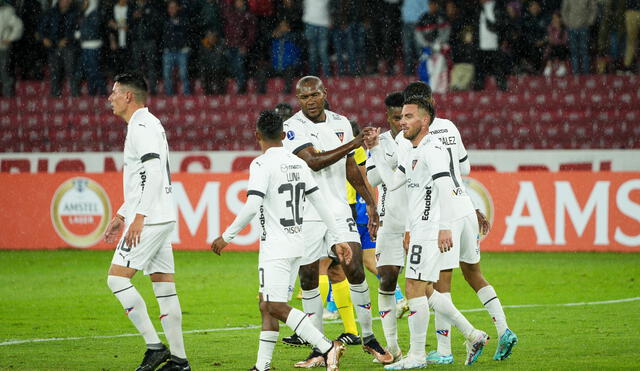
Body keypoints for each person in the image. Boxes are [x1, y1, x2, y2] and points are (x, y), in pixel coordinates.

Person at [211, 110, 348, 371]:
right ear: (284, 136)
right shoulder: (298, 163)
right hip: (298, 244)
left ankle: (327, 346)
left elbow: (252, 205)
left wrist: (226, 236)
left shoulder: (261, 164)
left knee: (274, 305)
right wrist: (338, 238)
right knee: (267, 305)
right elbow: (321, 203)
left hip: (275, 247)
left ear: (257, 136)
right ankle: (262, 366)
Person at [398, 81, 518, 365]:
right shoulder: (450, 127)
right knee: (474, 274)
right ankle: (503, 329)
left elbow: (411, 183)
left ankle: (443, 350)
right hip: (464, 204)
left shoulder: (411, 140)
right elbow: (464, 169)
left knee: (441, 282)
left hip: (442, 214)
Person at [365, 96, 489, 369]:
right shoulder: (409, 149)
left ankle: (417, 356)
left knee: (414, 288)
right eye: (400, 117)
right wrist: (374, 149)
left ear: (425, 120)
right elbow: (392, 182)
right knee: (422, 288)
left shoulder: (433, 149)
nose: (402, 122)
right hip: (419, 226)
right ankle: (472, 334)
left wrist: (445, 226)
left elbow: (445, 188)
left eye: (409, 117)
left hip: (431, 227)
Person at [282, 76, 393, 366]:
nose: (310, 101)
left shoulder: (341, 122)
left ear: (324, 93)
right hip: (306, 212)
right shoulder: (292, 127)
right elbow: (313, 161)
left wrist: (369, 201)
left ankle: (368, 337)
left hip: (339, 209)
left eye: (315, 95)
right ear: (298, 99)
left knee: (354, 267)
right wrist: (355, 143)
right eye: (304, 97)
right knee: (308, 277)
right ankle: (319, 346)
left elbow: (349, 166)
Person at [104, 72, 190, 371]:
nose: (110, 98)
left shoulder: (141, 126)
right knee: (164, 287)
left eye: (114, 92)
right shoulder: (148, 124)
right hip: (160, 214)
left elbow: (153, 172)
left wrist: (139, 217)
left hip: (151, 218)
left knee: (116, 279)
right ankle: (180, 361)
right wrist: (122, 215)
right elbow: (143, 179)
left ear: (129, 96)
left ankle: (155, 346)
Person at [38, 0, 80, 97]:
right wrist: (44, 38)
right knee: (54, 71)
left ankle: (74, 93)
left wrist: (68, 39)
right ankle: (54, 94)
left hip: (69, 46)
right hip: (53, 46)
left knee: (71, 70)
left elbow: (78, 30)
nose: (63, 1)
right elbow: (42, 28)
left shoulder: (75, 13)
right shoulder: (51, 12)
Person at [162, 0, 191, 96]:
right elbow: (162, 36)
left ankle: (187, 95)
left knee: (184, 75)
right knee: (167, 75)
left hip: (181, 51)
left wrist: (186, 46)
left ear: (178, 8)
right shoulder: (164, 20)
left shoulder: (184, 19)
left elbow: (188, 34)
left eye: (174, 7)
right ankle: (169, 96)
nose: (172, 10)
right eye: (170, 8)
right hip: (169, 51)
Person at [561, 0, 597, 75]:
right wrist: (568, 23)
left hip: (584, 27)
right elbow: (564, 10)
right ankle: (576, 74)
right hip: (572, 27)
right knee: (574, 51)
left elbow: (593, 9)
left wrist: (589, 21)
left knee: (584, 51)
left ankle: (586, 73)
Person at [0, 0, 23, 97]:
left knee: (4, 71)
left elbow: (18, 25)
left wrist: (10, 38)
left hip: (2, 47)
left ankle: (8, 95)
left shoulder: (7, 12)